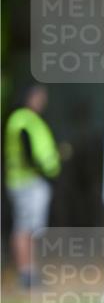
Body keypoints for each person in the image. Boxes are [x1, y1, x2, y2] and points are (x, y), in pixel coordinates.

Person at [4, 84, 61, 288]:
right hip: (26, 181)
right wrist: (40, 170)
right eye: (39, 97)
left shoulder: (30, 119)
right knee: (24, 228)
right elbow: (26, 150)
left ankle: (30, 272)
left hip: (30, 181)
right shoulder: (22, 119)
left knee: (31, 229)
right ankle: (25, 273)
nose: (42, 101)